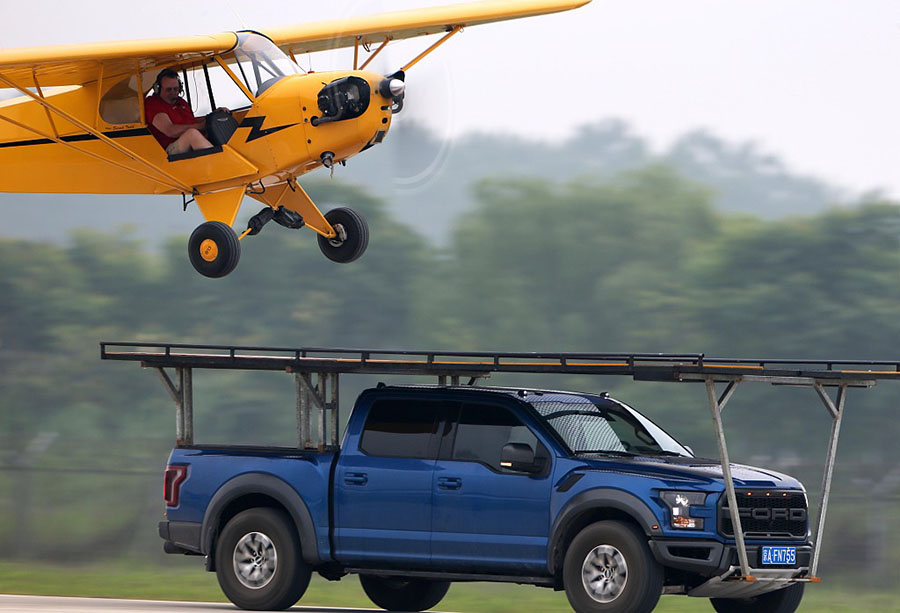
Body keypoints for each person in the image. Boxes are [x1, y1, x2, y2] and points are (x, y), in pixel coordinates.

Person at [145, 68, 218, 156]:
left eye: (176, 89)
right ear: (158, 89)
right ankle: (221, 164)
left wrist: (214, 117)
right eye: (169, 89)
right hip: (168, 152)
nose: (173, 92)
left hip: (188, 145)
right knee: (192, 134)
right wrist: (201, 125)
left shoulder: (181, 102)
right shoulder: (153, 104)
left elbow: (192, 123)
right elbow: (170, 131)